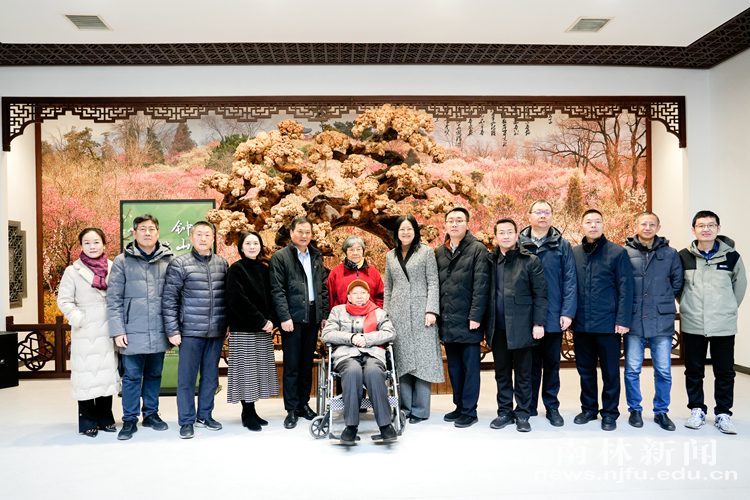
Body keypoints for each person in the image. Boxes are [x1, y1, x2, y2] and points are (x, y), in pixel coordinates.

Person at [678, 210, 746, 434]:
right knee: (693, 371)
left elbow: (739, 287)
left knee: (724, 372)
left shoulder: (732, 257)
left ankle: (723, 413)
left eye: (711, 225)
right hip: (693, 323)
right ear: (693, 229)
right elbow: (678, 288)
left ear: (718, 228)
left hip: (723, 325)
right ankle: (697, 409)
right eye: (701, 225)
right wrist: (687, 305)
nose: (706, 229)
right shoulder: (683, 256)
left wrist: (726, 309)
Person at [107, 214, 174, 441]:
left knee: (154, 374)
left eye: (151, 229)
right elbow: (114, 299)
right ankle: (129, 419)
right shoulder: (122, 261)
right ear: (134, 233)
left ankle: (151, 414)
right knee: (132, 377)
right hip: (131, 330)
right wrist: (118, 330)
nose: (147, 233)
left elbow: (175, 297)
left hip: (159, 329)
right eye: (142, 229)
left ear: (158, 233)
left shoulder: (169, 260)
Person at [162, 221, 229, 439]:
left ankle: (205, 416)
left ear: (213, 238)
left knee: (210, 378)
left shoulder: (222, 264)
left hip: (216, 331)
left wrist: (227, 324)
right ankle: (186, 420)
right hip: (190, 331)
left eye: (207, 234)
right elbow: (169, 300)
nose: (203, 238)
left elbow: (227, 298)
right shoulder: (179, 264)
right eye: (199, 234)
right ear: (191, 237)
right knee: (187, 379)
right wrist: (173, 330)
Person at [572, 209, 634, 431]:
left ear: (603, 225)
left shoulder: (617, 252)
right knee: (585, 370)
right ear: (582, 226)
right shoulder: (574, 253)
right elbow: (569, 288)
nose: (593, 225)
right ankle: (589, 409)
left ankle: (610, 413)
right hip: (581, 325)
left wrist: (623, 320)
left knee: (610, 372)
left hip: (608, 325)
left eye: (597, 221)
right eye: (588, 222)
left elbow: (626, 289)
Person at [518, 199, 577, 427]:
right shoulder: (519, 244)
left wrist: (567, 313)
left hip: (553, 316)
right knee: (529, 364)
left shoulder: (562, 245)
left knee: (552, 364)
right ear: (529, 216)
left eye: (547, 212)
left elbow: (570, 280)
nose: (542, 215)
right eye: (538, 212)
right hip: (526, 317)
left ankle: (552, 406)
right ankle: (529, 405)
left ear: (552, 216)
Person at [485, 218, 548, 432]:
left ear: (516, 235)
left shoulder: (530, 260)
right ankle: (504, 412)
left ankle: (522, 413)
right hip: (498, 328)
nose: (506, 236)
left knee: (523, 374)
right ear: (495, 236)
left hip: (522, 327)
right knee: (501, 373)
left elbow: (541, 295)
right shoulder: (490, 260)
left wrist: (538, 323)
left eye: (509, 232)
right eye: (501, 233)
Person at [58, 228, 120, 437]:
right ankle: (87, 421)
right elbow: (64, 301)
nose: (92, 246)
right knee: (85, 375)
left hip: (108, 327)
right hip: (85, 329)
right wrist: (79, 318)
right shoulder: (72, 271)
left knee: (106, 373)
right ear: (81, 245)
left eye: (96, 242)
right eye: (87, 242)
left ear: (104, 244)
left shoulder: (113, 267)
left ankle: (106, 418)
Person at [623, 211, 683, 431]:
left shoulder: (670, 253)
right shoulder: (625, 252)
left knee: (663, 370)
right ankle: (634, 410)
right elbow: (621, 283)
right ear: (636, 226)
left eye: (652, 224)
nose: (647, 228)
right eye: (643, 224)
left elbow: (677, 283)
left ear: (658, 228)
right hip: (634, 319)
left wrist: (661, 300)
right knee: (632, 369)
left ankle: (661, 412)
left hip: (661, 319)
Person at [270, 216, 330, 429]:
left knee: (306, 364)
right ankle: (291, 409)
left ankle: (303, 404)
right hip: (292, 319)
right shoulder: (281, 257)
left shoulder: (316, 256)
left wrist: (323, 315)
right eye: (300, 232)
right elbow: (277, 290)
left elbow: (322, 287)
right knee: (292, 366)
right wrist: (284, 317)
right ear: (291, 233)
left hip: (312, 317)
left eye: (308, 232)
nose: (304, 236)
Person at [321, 280, 397, 445]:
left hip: (373, 354)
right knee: (352, 371)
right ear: (348, 296)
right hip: (346, 355)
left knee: (374, 371)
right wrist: (351, 338)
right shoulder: (338, 311)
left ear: (368, 295)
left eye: (363, 292)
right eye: (355, 293)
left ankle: (386, 426)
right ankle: (351, 426)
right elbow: (327, 334)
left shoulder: (378, 312)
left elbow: (390, 333)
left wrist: (367, 338)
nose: (359, 296)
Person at [384, 215, 443, 424]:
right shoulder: (390, 255)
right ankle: (405, 408)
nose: (405, 232)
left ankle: (420, 410)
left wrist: (431, 310)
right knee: (402, 361)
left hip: (422, 312)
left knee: (422, 361)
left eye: (409, 229)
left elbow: (433, 283)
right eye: (402, 229)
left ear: (415, 231)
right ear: (396, 233)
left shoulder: (426, 252)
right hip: (397, 312)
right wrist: (386, 314)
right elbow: (388, 287)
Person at [435, 207, 490, 428]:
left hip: (469, 321)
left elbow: (481, 286)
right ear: (445, 225)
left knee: (470, 369)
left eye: (459, 220)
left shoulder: (478, 249)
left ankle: (469, 410)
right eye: (450, 220)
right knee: (455, 369)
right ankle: (459, 406)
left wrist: (476, 316)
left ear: (467, 224)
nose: (454, 224)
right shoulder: (440, 252)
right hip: (448, 320)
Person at [226, 231, 279, 432]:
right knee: (246, 373)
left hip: (263, 329)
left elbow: (273, 297)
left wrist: (271, 320)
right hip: (244, 329)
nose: (252, 247)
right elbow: (237, 300)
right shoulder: (236, 269)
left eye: (255, 243)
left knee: (257, 371)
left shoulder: (265, 269)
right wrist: (260, 321)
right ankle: (247, 412)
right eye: (248, 243)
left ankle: (252, 410)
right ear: (241, 247)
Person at [327, 235, 384, 308]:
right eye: (351, 250)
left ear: (363, 251)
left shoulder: (373, 272)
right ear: (345, 252)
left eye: (359, 249)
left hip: (369, 314)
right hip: (342, 313)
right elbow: (330, 299)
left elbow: (381, 297)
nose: (355, 253)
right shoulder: (336, 272)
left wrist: (375, 311)